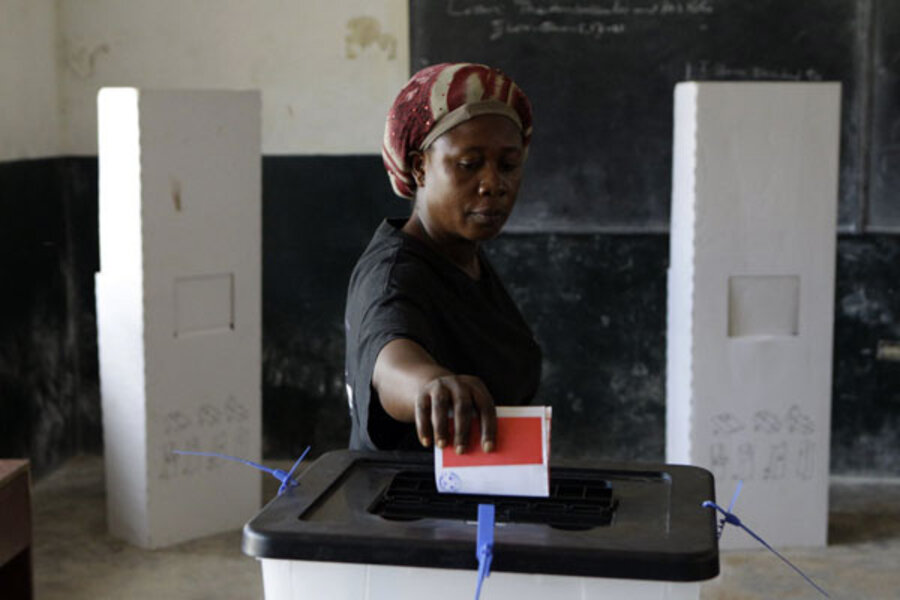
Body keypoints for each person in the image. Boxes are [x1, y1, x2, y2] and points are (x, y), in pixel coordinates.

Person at [344, 62, 541, 455]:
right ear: (420, 167)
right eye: (468, 165)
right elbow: (391, 360)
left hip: (475, 499)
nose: (493, 185)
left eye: (509, 165)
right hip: (408, 510)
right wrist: (431, 385)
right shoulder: (394, 275)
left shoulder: (463, 260)